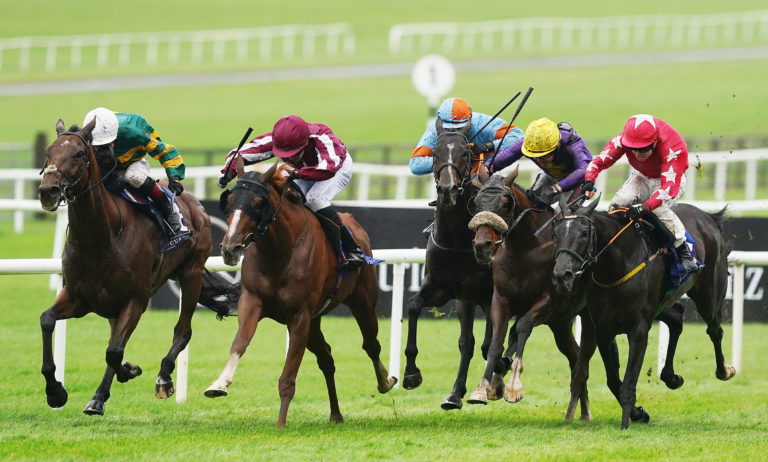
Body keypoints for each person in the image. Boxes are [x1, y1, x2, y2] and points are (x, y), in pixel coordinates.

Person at [218, 114, 366, 268]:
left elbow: (330, 167)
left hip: (335, 169)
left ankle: (353, 249)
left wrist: (299, 174)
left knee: (315, 199)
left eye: (294, 154)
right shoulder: (276, 141)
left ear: (305, 142)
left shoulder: (323, 139)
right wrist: (227, 172)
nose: (289, 159)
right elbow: (239, 153)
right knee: (286, 196)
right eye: (284, 155)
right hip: (303, 169)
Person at [581, 113, 699, 275]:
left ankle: (683, 250)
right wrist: (589, 180)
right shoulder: (624, 139)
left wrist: (645, 207)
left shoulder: (674, 147)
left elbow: (667, 189)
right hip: (643, 176)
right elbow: (598, 161)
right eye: (633, 149)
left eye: (643, 149)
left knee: (657, 209)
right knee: (618, 203)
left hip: (670, 182)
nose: (637, 154)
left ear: (655, 142)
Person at [83, 107, 187, 234]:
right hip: (105, 164)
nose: (107, 147)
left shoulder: (135, 132)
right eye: (99, 146)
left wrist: (174, 177)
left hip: (133, 162)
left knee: (134, 177)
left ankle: (168, 206)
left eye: (109, 142)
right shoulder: (89, 133)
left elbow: (165, 150)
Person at [485, 117, 593, 207]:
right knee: (532, 205)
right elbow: (505, 156)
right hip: (552, 177)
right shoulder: (528, 143)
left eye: (543, 156)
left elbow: (585, 169)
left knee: (563, 216)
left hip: (578, 182)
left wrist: (559, 187)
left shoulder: (572, 145)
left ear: (556, 148)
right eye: (534, 156)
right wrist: (488, 167)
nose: (539, 161)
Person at [409, 97, 524, 175]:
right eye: (447, 128)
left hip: (487, 173)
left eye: (459, 128)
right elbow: (416, 165)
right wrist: (449, 158)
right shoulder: (434, 130)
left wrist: (487, 146)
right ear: (439, 123)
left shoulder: (482, 122)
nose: (453, 132)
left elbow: (518, 136)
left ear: (470, 121)